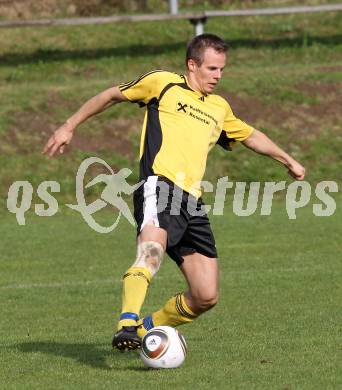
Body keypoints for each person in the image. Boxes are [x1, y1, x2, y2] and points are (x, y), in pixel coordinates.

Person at [43, 34, 305, 351]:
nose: (218, 76)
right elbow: (112, 95)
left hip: (192, 203)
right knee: (150, 253)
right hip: (160, 186)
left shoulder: (219, 108)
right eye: (211, 68)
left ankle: (143, 330)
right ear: (191, 65)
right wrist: (69, 125)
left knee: (206, 295)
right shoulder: (163, 84)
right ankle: (126, 322)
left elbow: (250, 136)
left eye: (222, 69)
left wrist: (287, 159)